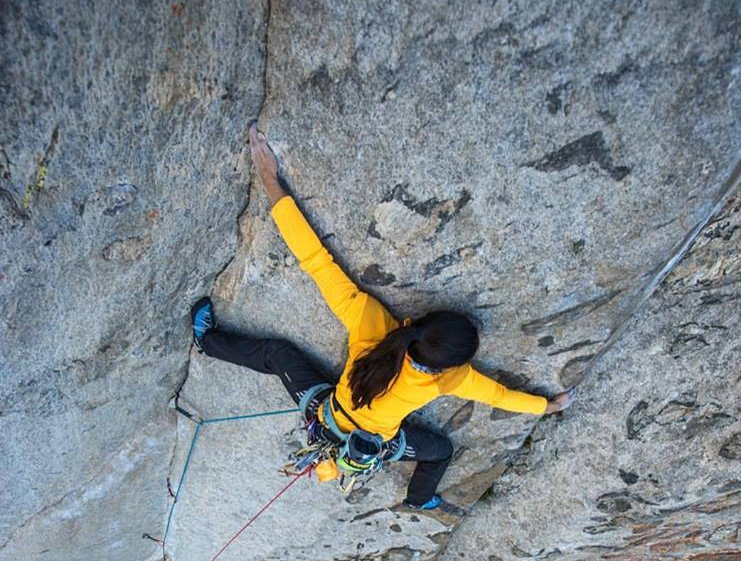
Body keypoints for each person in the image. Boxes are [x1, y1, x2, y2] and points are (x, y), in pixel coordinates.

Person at [190, 125, 573, 511]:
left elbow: (317, 262)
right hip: (370, 440)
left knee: (277, 354)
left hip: (327, 416)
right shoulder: (450, 379)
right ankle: (419, 499)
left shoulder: (372, 324)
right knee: (439, 451)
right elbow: (499, 396)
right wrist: (547, 407)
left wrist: (270, 180)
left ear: (421, 320)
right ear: (450, 365)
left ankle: (208, 342)